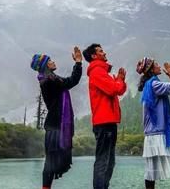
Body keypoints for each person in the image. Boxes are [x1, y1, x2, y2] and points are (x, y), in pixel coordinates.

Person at [30, 47, 83, 189]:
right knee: (50, 163)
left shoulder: (48, 79)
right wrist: (78, 63)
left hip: (54, 125)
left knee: (51, 162)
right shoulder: (50, 80)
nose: (53, 62)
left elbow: (68, 82)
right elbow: (71, 81)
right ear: (46, 65)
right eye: (50, 60)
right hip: (56, 126)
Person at [83, 43, 127, 189]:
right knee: (103, 161)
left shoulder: (101, 72)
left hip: (107, 122)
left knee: (109, 162)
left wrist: (118, 81)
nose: (104, 53)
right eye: (101, 51)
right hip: (104, 123)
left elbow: (117, 90)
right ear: (94, 56)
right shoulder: (97, 71)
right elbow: (114, 89)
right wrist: (119, 80)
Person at [136, 57, 170, 189]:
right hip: (155, 132)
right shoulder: (154, 84)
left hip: (152, 132)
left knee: (151, 170)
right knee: (150, 170)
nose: (159, 66)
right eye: (156, 64)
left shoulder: (150, 84)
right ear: (151, 70)